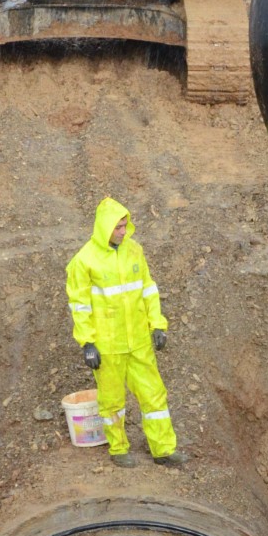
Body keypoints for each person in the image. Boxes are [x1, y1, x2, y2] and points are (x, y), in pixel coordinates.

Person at [65, 197, 186, 467]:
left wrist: (157, 324)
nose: (123, 231)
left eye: (124, 225)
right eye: (118, 227)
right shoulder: (84, 261)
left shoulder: (134, 251)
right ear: (104, 227)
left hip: (139, 342)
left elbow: (148, 289)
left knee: (154, 395)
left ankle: (163, 450)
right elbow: (79, 305)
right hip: (108, 346)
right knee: (112, 401)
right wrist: (87, 343)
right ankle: (119, 449)